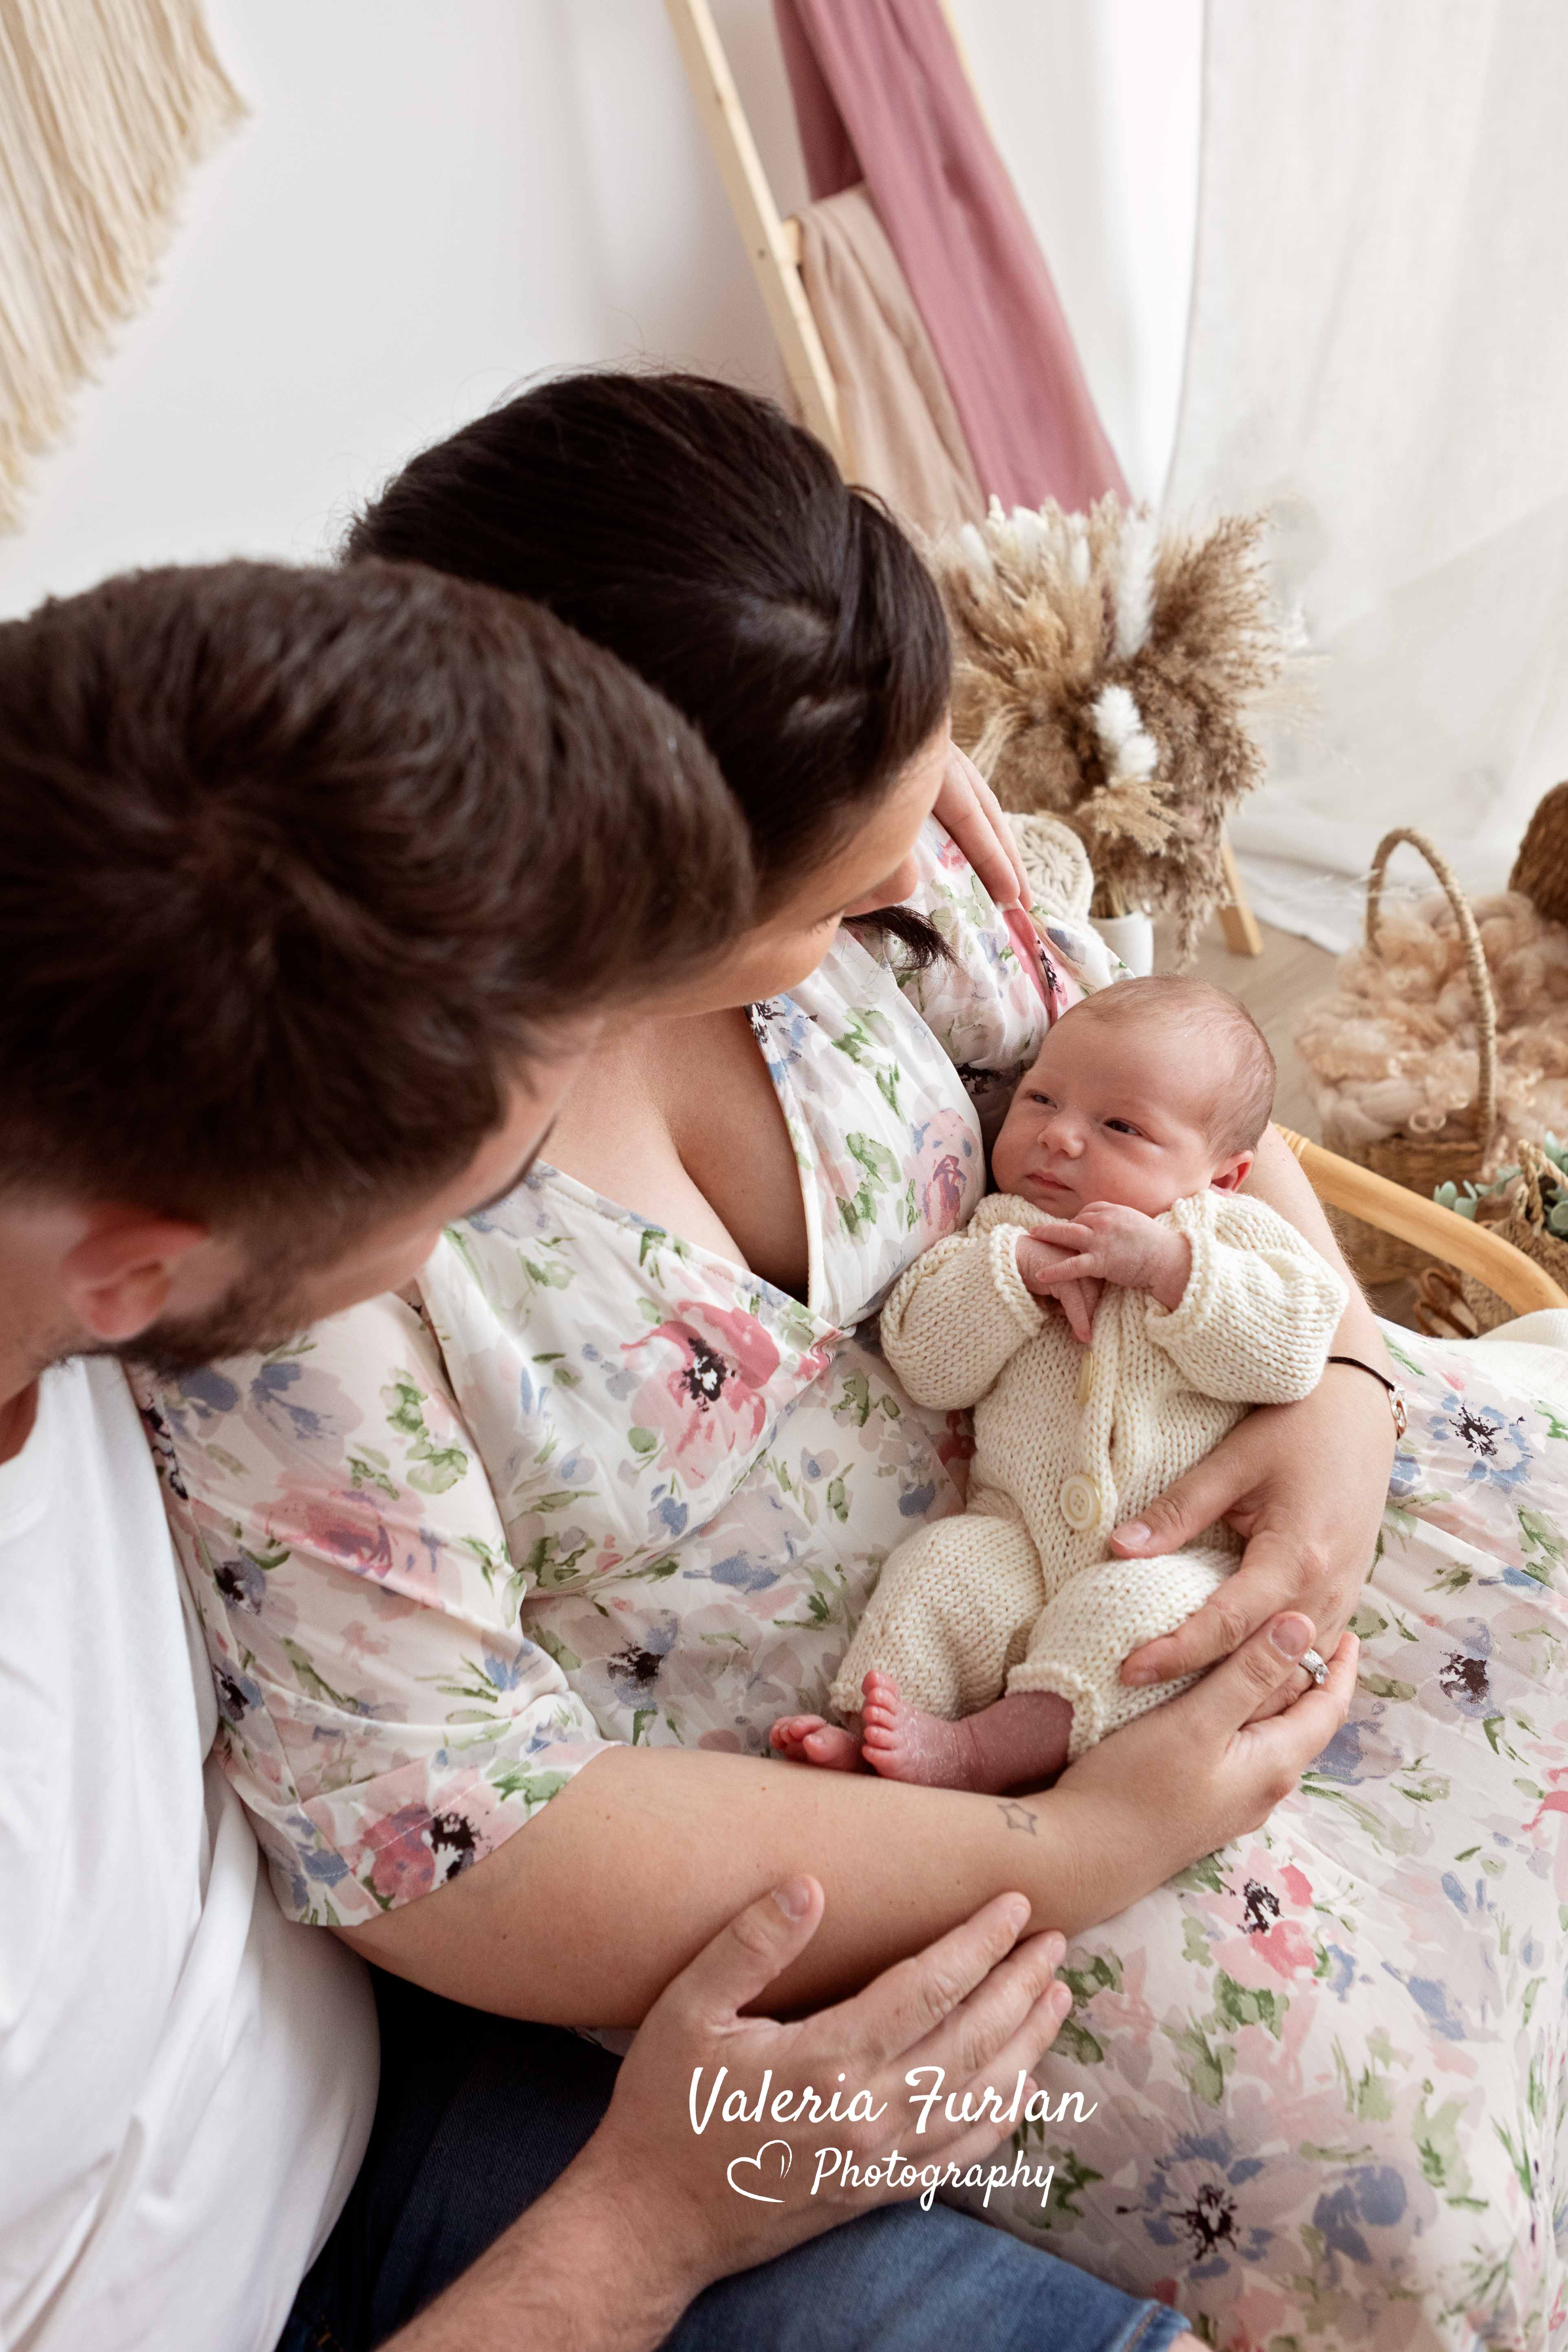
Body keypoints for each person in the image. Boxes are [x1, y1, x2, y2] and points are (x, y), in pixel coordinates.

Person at [162, 378, 1563, 2351]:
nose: (922, 883)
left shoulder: (876, 819)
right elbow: (441, 1835)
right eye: (841, 889)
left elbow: (1182, 1091)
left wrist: (1339, 1388)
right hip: (903, 1790)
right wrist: (1056, 1844)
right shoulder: (336, 1235)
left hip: (1180, 1463)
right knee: (1404, 2187)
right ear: (626, 890)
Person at [0, 557, 1167, 2352]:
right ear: (143, 1272)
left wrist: (861, 773)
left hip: (392, 2078)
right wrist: (648, 2227)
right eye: (485, 1186)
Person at [773, 976, 1346, 1787]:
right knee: (938, 1571)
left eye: (1119, 1125)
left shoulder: (1227, 1235)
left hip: (1183, 1559)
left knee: (1121, 1618)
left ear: (1222, 1176)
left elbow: (1295, 1348)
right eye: (1041, 1098)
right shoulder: (1004, 1231)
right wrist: (1015, 1277)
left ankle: (978, 1753)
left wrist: (1175, 1272)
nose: (1058, 1138)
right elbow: (927, 1365)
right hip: (1019, 1539)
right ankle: (867, 1737)